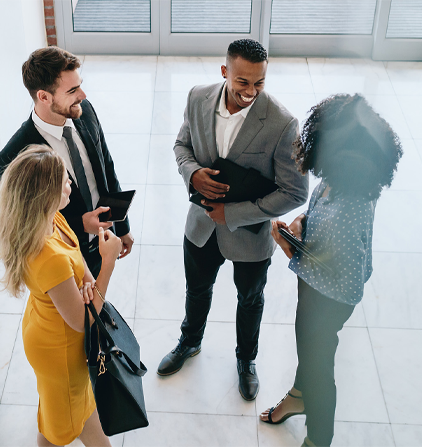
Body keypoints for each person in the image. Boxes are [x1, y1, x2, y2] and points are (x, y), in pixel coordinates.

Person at [157, 39, 309, 402]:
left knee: (250, 299)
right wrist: (191, 172)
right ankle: (189, 342)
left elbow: (295, 192)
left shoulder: (283, 124)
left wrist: (234, 214)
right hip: (200, 226)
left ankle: (246, 361)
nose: (251, 92)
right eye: (242, 82)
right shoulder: (197, 98)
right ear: (225, 72)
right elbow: (182, 146)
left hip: (250, 236)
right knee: (196, 290)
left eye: (259, 83)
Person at [259, 94, 402, 447]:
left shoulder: (352, 203)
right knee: (310, 352)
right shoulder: (344, 179)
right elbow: (320, 217)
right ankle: (297, 394)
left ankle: (318, 439)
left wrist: (290, 248)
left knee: (319, 367)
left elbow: (344, 276)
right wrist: (303, 224)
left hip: (328, 300)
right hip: (316, 291)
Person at [0, 145, 123, 447]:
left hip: (51, 328)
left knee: (63, 412)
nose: (70, 184)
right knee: (61, 424)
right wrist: (109, 263)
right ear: (45, 195)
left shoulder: (54, 218)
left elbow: (83, 279)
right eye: (63, 181)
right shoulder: (48, 256)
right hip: (61, 349)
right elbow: (84, 320)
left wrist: (90, 289)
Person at [0, 46, 134, 277]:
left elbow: (106, 167)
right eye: (72, 90)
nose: (83, 95)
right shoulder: (13, 157)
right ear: (44, 97)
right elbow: (18, 230)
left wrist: (123, 226)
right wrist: (80, 226)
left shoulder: (84, 111)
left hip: (102, 244)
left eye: (80, 85)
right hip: (61, 262)